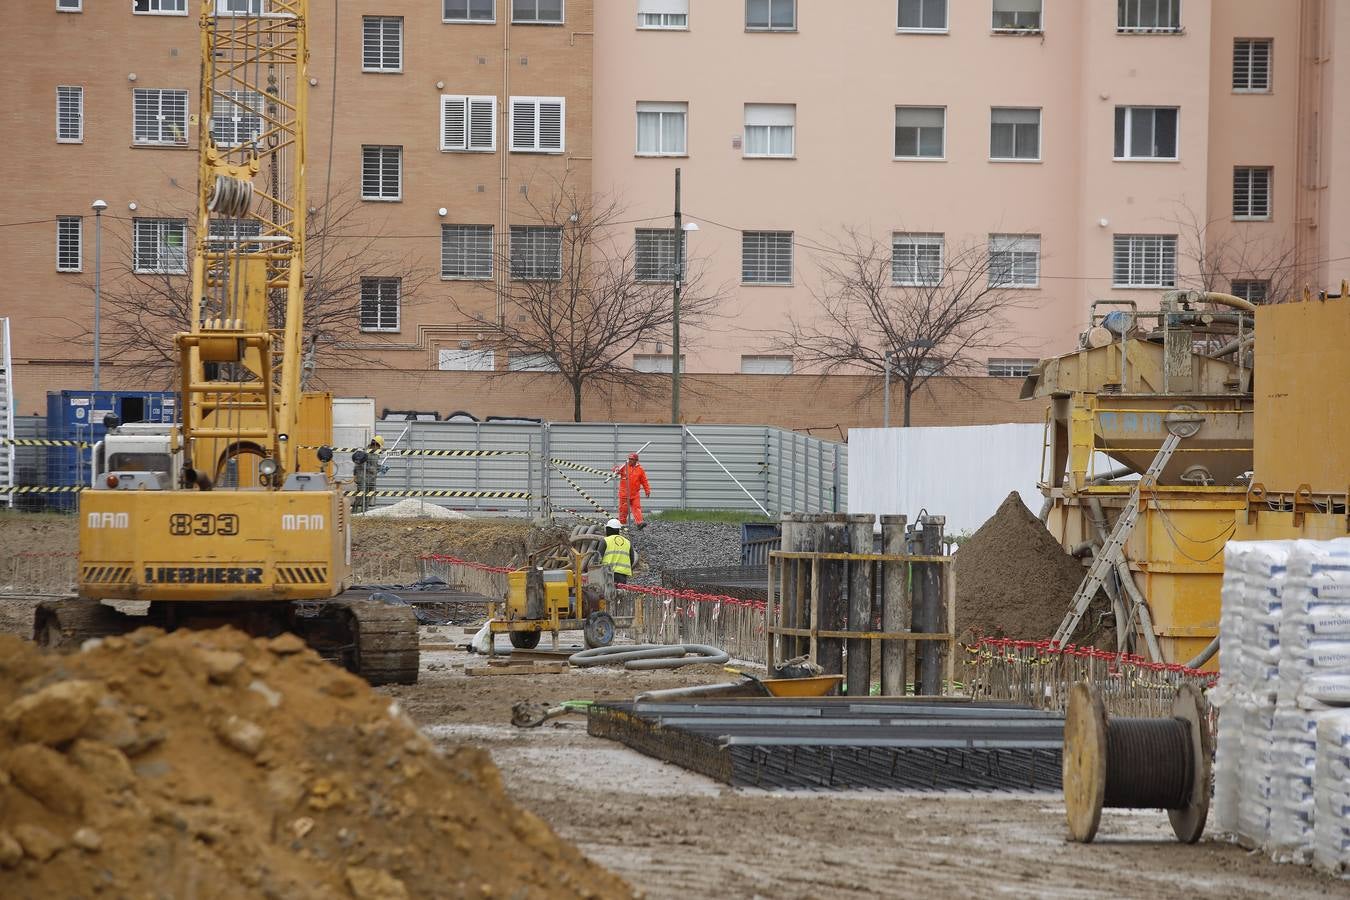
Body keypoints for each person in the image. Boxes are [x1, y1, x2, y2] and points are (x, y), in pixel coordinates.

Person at [615, 451, 651, 529]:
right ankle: (622, 524)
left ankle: (639, 523)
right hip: (624, 494)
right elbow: (616, 471)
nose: (630, 460)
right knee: (623, 510)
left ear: (636, 460)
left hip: (635, 494)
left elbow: (644, 481)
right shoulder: (624, 466)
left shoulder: (640, 469)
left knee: (637, 508)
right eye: (629, 459)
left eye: (632, 459)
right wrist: (616, 469)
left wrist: (647, 490)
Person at [352, 435, 384, 513]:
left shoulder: (376, 453)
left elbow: (374, 464)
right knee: (360, 494)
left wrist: (380, 468)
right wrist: (355, 475)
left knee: (370, 494)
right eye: (379, 446)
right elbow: (360, 464)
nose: (379, 448)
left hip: (371, 478)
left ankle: (365, 510)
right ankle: (354, 510)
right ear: (376, 444)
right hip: (362, 476)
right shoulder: (365, 452)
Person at [601, 518, 635, 584]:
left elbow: (598, 557)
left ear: (608, 529)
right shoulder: (627, 542)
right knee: (621, 592)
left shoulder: (605, 540)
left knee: (607, 593)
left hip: (607, 574)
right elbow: (632, 559)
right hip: (622, 576)